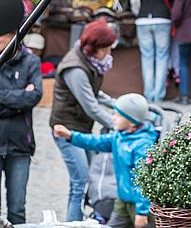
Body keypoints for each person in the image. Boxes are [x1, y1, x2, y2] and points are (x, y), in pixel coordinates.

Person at [49, 18, 118, 221]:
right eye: (106, 49)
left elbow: (95, 92)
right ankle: (73, 224)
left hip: (81, 127)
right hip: (66, 129)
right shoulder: (75, 68)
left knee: (91, 178)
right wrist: (117, 124)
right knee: (80, 181)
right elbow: (91, 105)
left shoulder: (89, 60)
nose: (109, 54)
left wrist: (118, 105)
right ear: (93, 47)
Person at [54, 93, 157, 228]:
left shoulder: (143, 145)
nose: (113, 118)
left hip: (140, 204)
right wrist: (71, 136)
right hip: (123, 199)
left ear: (132, 121)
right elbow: (96, 142)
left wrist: (142, 211)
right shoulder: (119, 137)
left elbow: (143, 180)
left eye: (118, 115)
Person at [0, 23, 43, 225]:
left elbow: (34, 96)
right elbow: (26, 98)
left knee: (17, 208)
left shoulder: (31, 62)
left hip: (20, 145)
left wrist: (4, 99)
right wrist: (20, 99)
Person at [133, 0, 178, 102]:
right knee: (162, 56)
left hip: (143, 19)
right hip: (163, 20)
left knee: (146, 57)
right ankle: (158, 95)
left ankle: (148, 93)